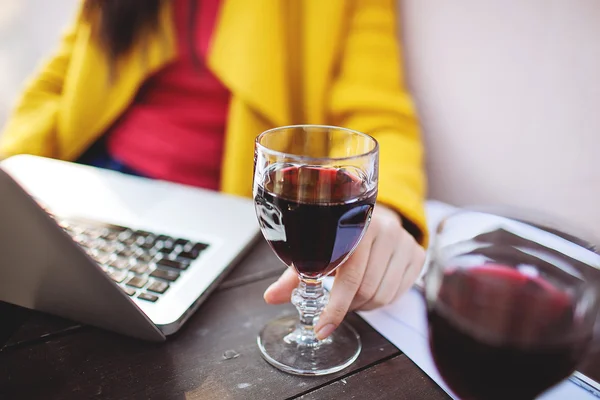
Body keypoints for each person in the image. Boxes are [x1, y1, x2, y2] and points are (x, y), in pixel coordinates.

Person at [0, 0, 427, 340]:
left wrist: (387, 211)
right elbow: (60, 80)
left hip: (224, 203)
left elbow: (378, 116)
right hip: (93, 181)